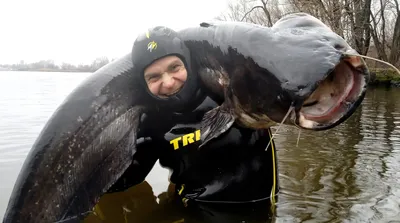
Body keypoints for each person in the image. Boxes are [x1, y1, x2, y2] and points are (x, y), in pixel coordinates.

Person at [85, 26, 280, 223]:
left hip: (259, 210)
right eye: (154, 77)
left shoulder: (230, 93)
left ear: (188, 63)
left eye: (174, 67)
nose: (168, 82)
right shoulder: (153, 121)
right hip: (189, 209)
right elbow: (128, 176)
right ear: (144, 84)